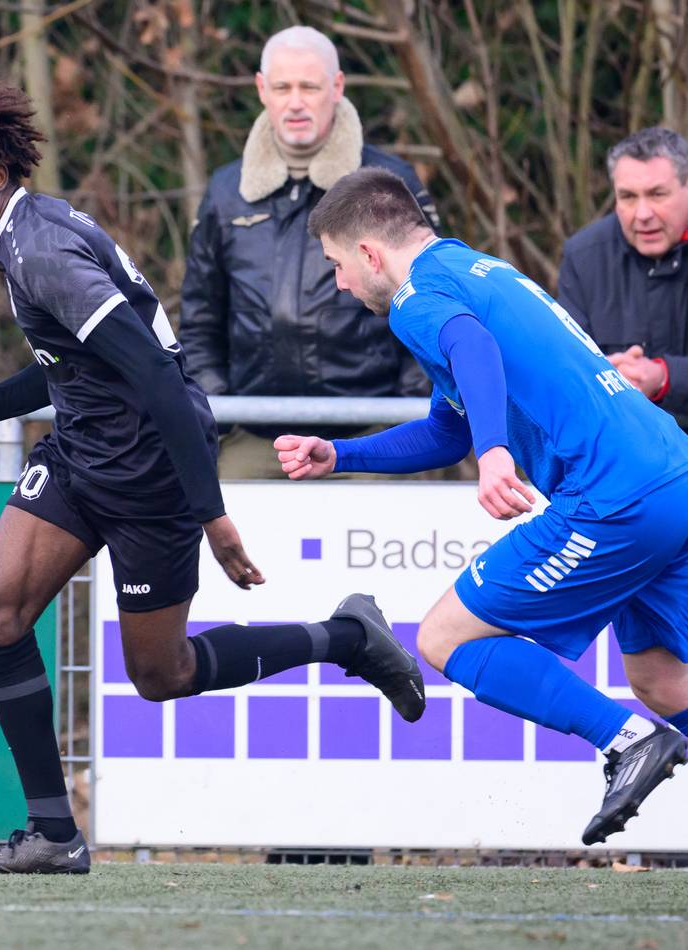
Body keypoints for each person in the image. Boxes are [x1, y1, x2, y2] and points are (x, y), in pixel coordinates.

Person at [0, 81, 426, 873]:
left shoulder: (42, 251)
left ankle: (346, 638)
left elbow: (159, 378)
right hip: (82, 452)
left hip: (149, 472)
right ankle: (52, 835)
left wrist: (212, 518)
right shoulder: (19, 238)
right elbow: (76, 364)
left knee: (161, 675)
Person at [276, 166, 688, 845]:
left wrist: (495, 454)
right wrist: (340, 455)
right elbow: (447, 428)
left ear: (370, 253)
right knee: (660, 678)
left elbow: (472, 350)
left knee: (445, 638)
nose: (342, 284)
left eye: (338, 265)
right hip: (670, 478)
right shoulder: (472, 270)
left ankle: (627, 742)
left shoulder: (417, 299)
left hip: (614, 498)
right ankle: (640, 728)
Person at [179, 26, 438, 479]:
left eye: (309, 86)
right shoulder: (225, 192)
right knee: (229, 544)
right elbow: (200, 317)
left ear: (336, 88)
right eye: (282, 87)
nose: (295, 102)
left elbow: (431, 304)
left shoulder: (387, 185)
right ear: (262, 89)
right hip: (255, 436)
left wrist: (404, 417)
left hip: (369, 434)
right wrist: (219, 411)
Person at [558, 127, 688, 421]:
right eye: (628, 197)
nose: (642, 214)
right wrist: (603, 375)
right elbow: (563, 364)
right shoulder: (584, 257)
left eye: (657, 194)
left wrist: (665, 376)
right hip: (621, 452)